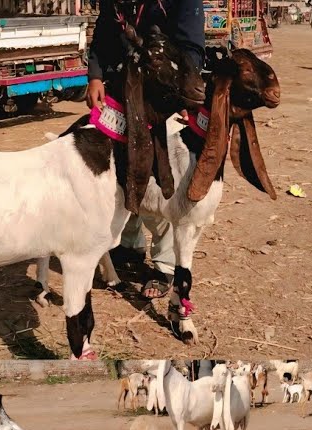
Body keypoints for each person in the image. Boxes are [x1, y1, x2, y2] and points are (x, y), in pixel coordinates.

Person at [85, 0, 205, 299]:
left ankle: (164, 263)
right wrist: (95, 76)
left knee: (157, 175)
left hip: (162, 97)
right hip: (120, 91)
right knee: (123, 169)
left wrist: (184, 93)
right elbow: (101, 38)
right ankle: (130, 244)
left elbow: (192, 49)